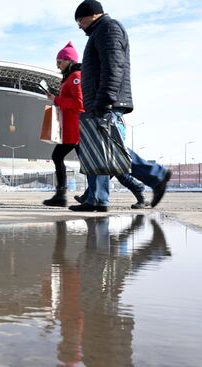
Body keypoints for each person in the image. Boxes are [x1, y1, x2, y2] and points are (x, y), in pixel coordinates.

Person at [69, 0, 172, 212]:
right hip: (100, 101)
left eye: (80, 20)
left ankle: (156, 175)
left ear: (93, 14)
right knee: (99, 150)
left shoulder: (109, 28)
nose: (79, 25)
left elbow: (114, 65)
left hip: (107, 101)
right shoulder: (100, 31)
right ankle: (96, 200)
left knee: (113, 149)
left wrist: (105, 99)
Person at [42, 42, 83, 207]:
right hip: (71, 129)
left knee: (60, 157)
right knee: (59, 157)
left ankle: (62, 195)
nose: (57, 65)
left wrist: (56, 100)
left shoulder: (75, 77)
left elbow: (79, 103)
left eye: (60, 61)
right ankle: (61, 194)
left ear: (69, 61)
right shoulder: (69, 78)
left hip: (76, 129)